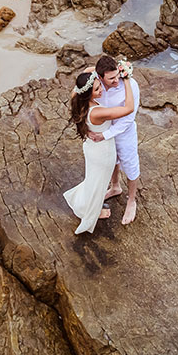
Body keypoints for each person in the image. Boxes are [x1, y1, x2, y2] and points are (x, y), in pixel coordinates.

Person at [62, 67, 135, 234]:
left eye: (99, 85)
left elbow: (85, 75)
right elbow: (129, 108)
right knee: (99, 184)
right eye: (97, 89)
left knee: (93, 180)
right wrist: (127, 80)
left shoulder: (78, 100)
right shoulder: (97, 112)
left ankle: (86, 203)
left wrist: (98, 70)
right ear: (88, 94)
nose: (101, 89)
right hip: (103, 154)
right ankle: (91, 212)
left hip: (91, 148)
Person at [88, 55, 141, 225]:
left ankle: (132, 200)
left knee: (130, 165)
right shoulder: (96, 85)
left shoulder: (130, 85)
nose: (116, 80)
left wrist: (105, 135)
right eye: (111, 78)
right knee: (112, 161)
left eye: (117, 75)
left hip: (124, 133)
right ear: (100, 76)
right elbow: (83, 81)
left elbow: (128, 117)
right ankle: (115, 187)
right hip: (105, 130)